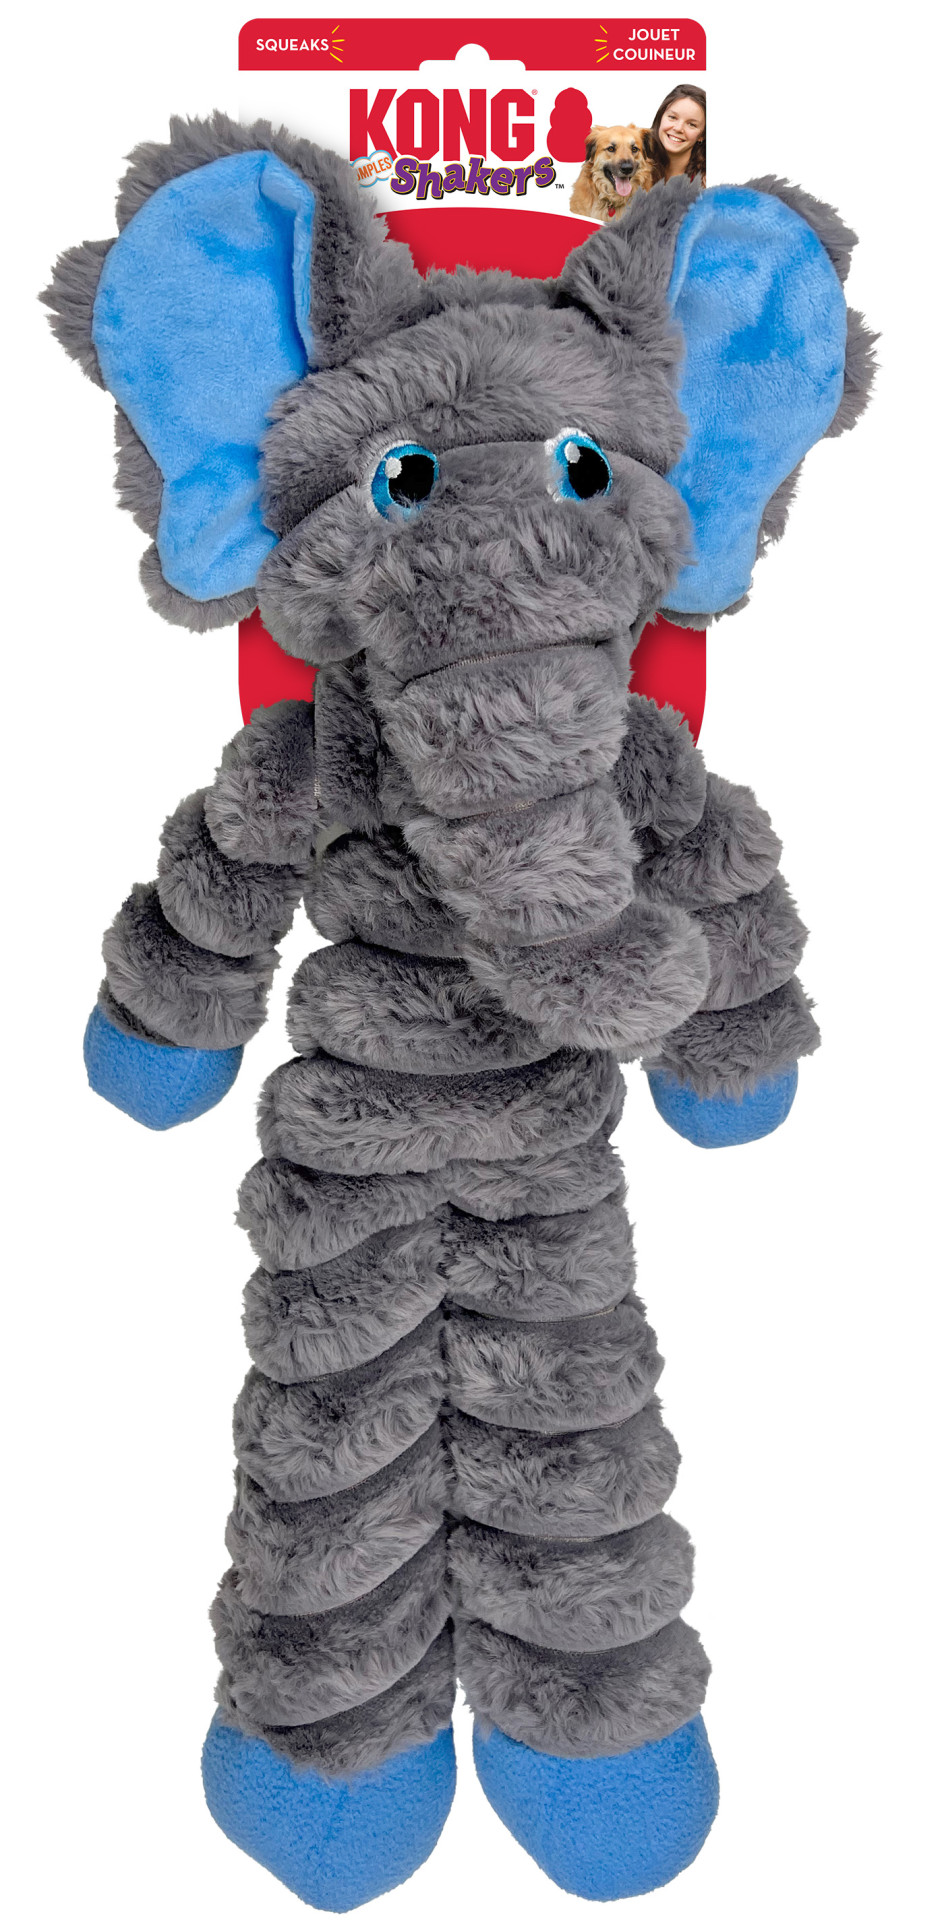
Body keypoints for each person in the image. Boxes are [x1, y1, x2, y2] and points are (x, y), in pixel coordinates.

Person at [646, 86, 706, 186]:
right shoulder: (634, 166)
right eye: (672, 117)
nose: (678, 128)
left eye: (691, 124)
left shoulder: (708, 183)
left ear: (702, 135)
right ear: (660, 117)